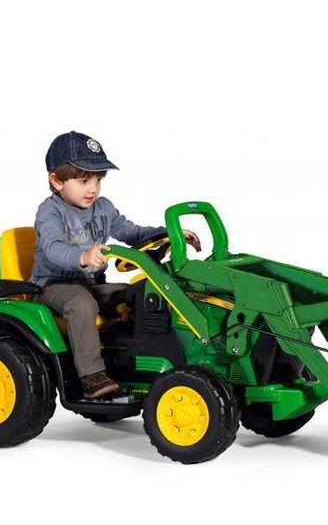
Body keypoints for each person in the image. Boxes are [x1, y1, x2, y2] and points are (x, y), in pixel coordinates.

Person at [30, 130, 201, 399]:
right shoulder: (50, 211)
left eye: (98, 179)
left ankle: (134, 363)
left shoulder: (104, 208)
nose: (93, 188)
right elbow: (53, 248)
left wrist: (169, 234)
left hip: (94, 284)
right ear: (56, 180)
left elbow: (132, 233)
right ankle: (91, 375)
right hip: (54, 286)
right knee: (82, 304)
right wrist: (83, 257)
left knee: (143, 294)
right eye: (84, 180)